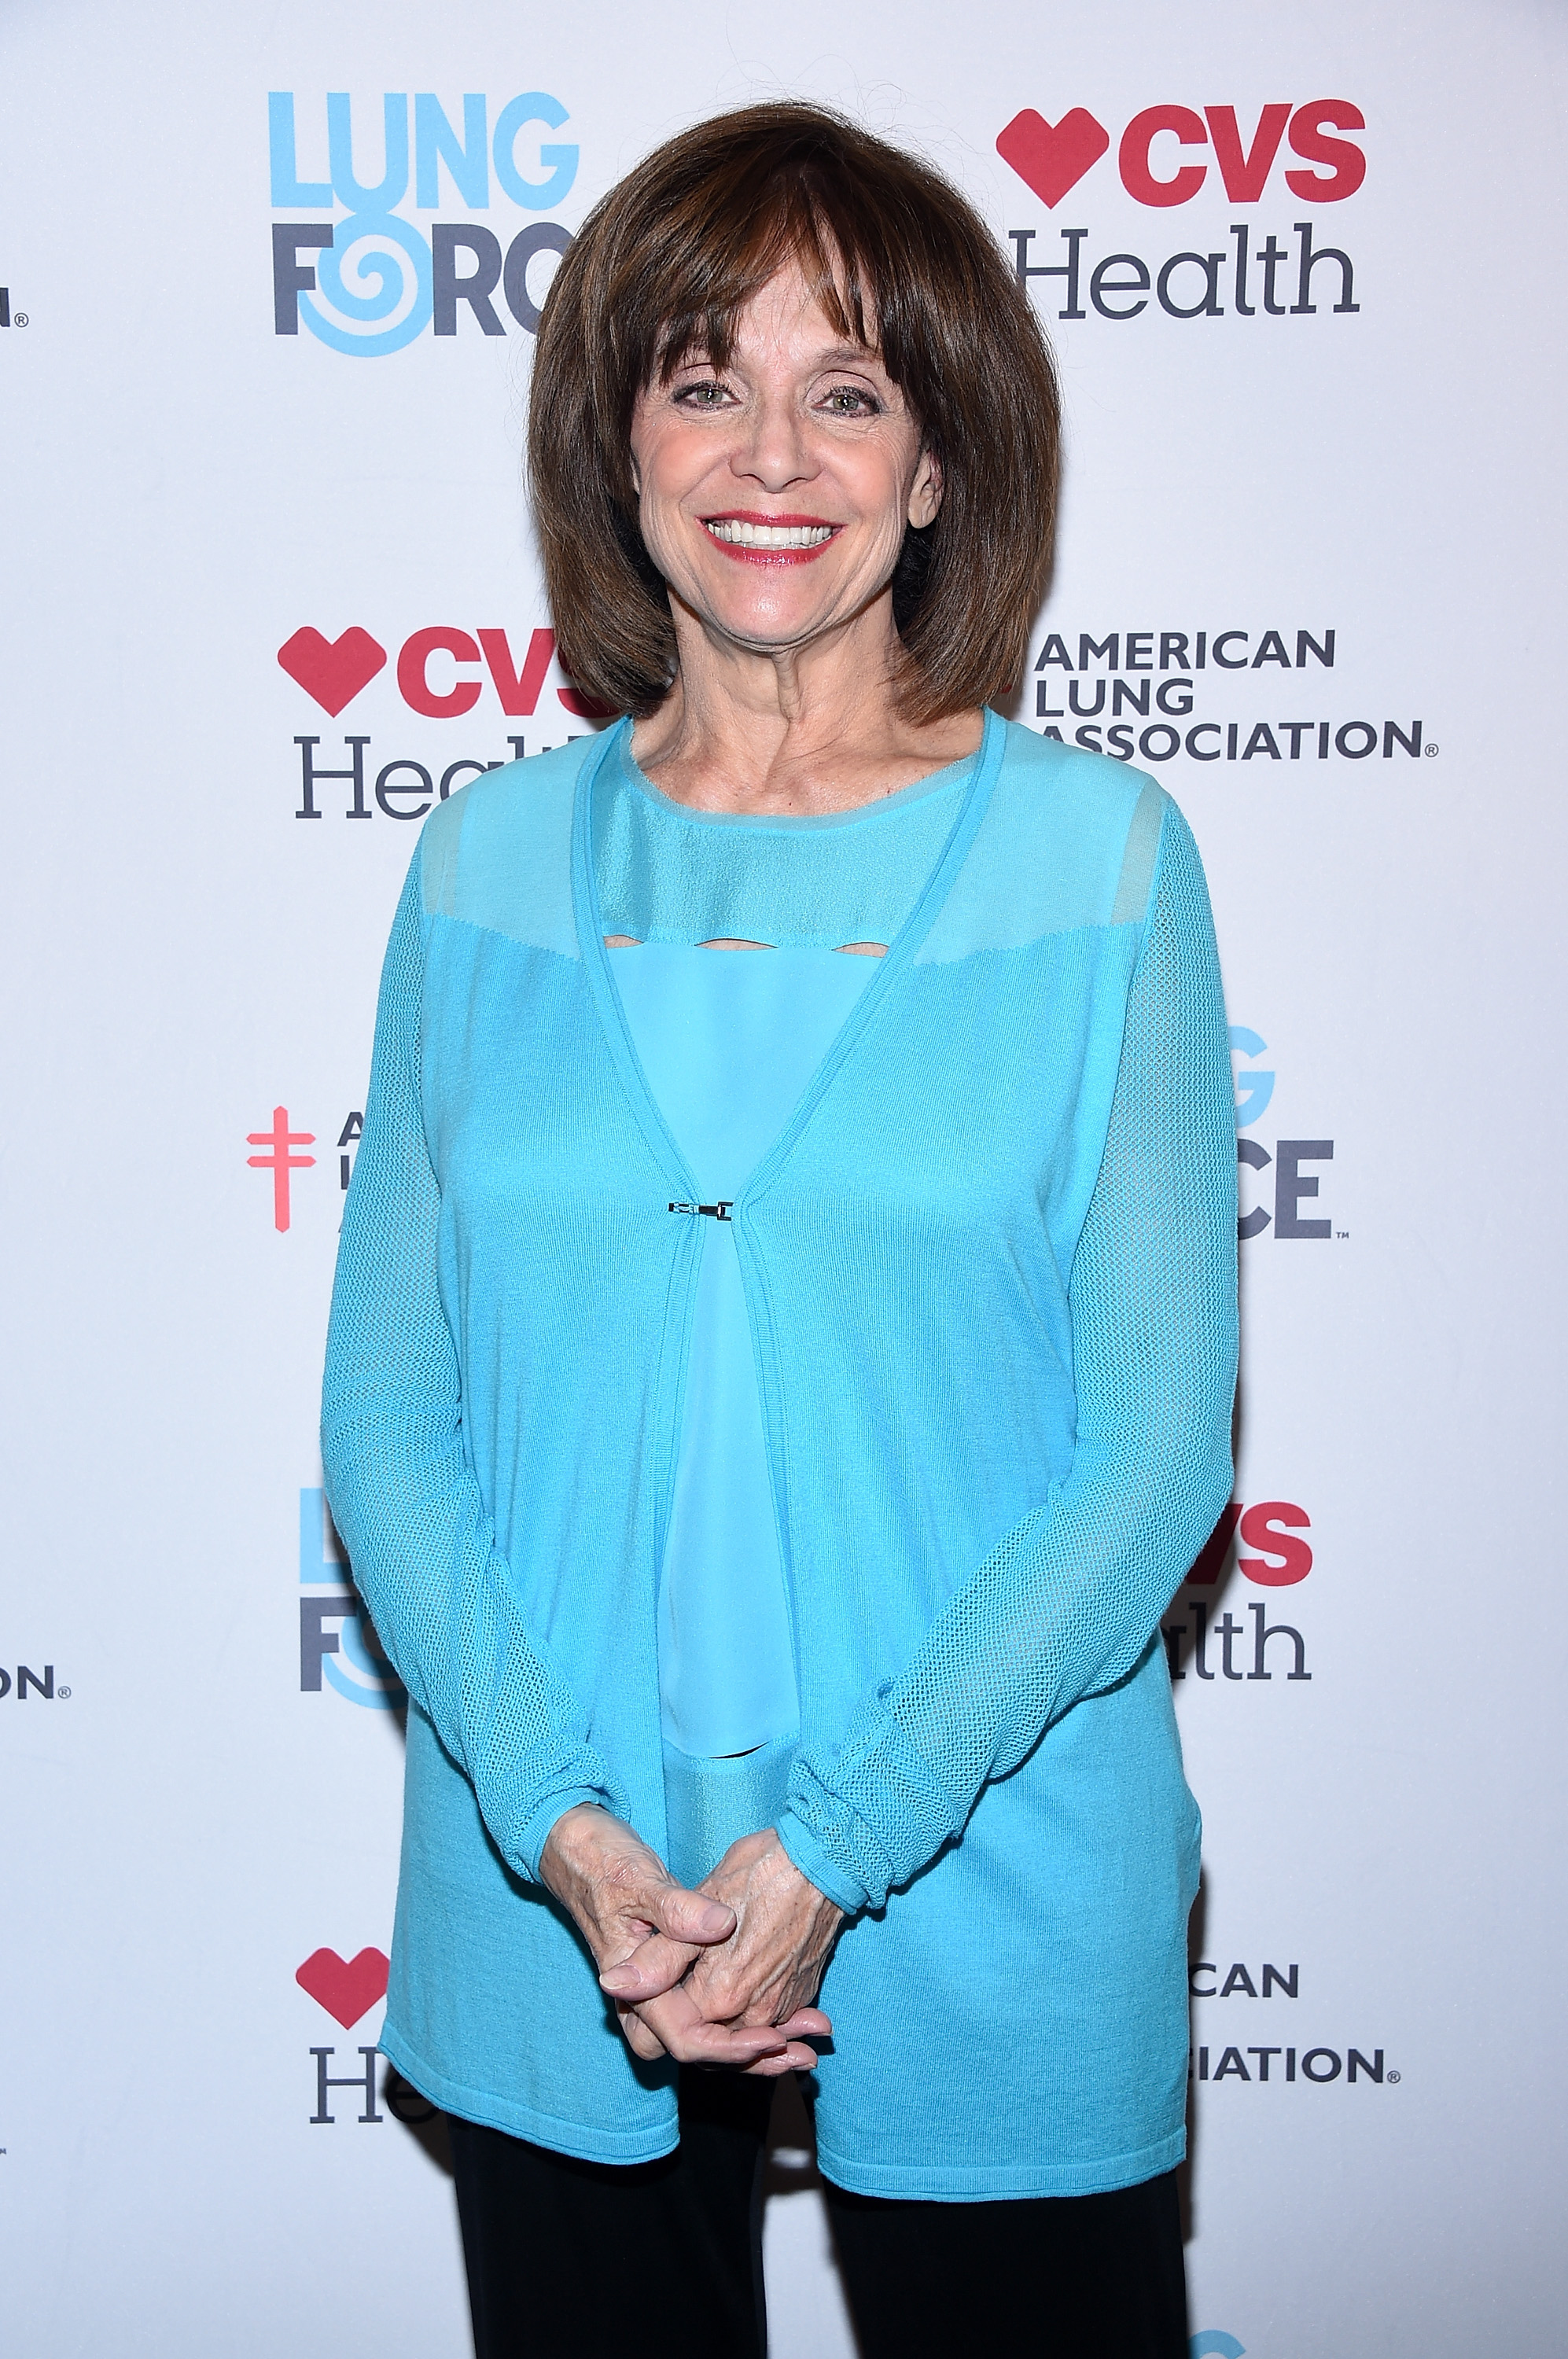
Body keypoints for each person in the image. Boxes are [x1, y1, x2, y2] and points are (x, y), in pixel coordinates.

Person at [322, 100, 1236, 2359]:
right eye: (703, 376)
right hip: (559, 1915)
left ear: (938, 464)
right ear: (614, 440)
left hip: (994, 1878)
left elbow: (1149, 1457)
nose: (772, 450)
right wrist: (566, 1832)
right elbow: (388, 1415)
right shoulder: (478, 868)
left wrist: (838, 1840)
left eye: (849, 389)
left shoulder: (1105, 864)